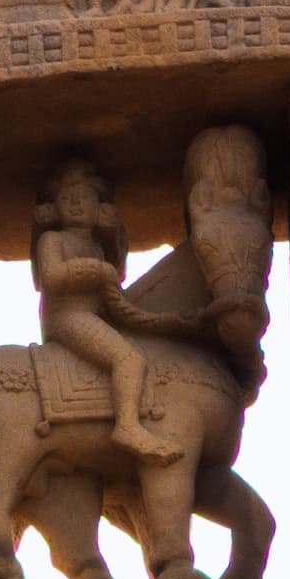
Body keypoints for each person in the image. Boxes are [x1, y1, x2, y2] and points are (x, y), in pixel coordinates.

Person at [36, 158, 179, 463]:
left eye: (86, 197)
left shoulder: (98, 247)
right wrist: (93, 269)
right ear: (53, 208)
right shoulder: (52, 240)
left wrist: (113, 243)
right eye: (66, 198)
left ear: (100, 207)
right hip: (66, 317)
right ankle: (127, 425)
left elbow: (114, 283)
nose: (76, 204)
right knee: (128, 358)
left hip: (93, 315)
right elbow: (50, 277)